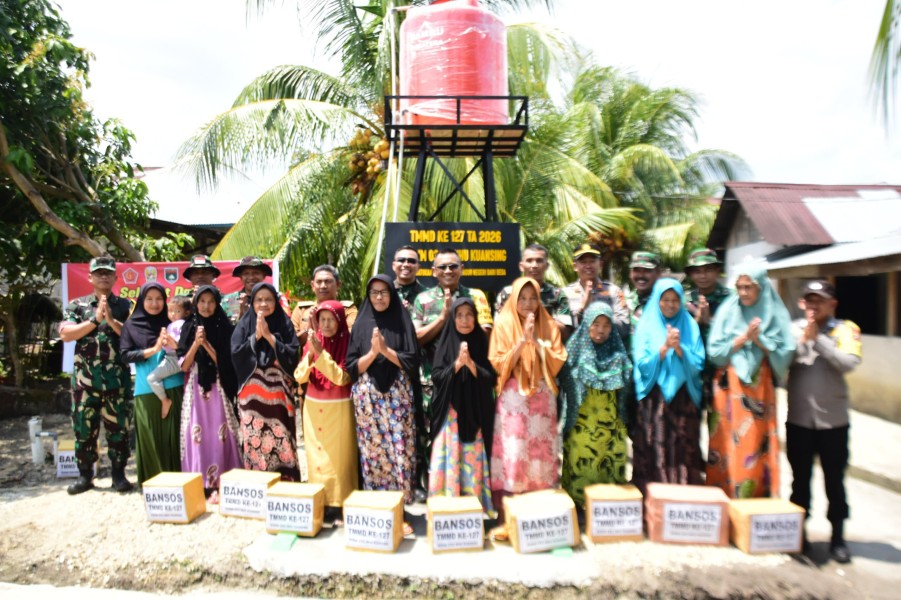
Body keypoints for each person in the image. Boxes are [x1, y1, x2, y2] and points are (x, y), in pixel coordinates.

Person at [787, 280, 861, 563]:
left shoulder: (846, 329)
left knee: (834, 481)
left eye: (820, 300)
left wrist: (817, 339)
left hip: (833, 423)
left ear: (833, 304)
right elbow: (781, 364)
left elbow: (848, 363)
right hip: (799, 420)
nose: (814, 305)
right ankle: (799, 535)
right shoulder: (793, 329)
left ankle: (838, 538)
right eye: (810, 300)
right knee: (800, 481)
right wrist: (801, 342)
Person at [706, 265, 795, 498]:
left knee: (755, 441)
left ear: (761, 287)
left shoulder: (774, 312)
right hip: (728, 387)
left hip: (759, 389)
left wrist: (760, 340)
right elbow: (715, 352)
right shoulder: (728, 310)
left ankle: (754, 499)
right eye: (739, 287)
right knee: (727, 442)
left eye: (749, 287)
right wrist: (744, 338)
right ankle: (724, 496)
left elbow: (785, 351)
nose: (743, 293)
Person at [412, 248, 493, 498]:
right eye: (443, 267)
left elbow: (486, 333)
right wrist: (444, 317)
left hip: (471, 382)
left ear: (462, 269)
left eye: (453, 266)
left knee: (471, 440)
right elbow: (417, 338)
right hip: (434, 381)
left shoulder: (476, 296)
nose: (448, 271)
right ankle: (438, 491)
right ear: (433, 271)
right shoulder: (423, 300)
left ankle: (469, 493)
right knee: (434, 439)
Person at [489, 277, 567, 519]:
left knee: (539, 454)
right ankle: (508, 511)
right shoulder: (503, 324)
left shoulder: (548, 323)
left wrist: (537, 344)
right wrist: (522, 342)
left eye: (533, 298)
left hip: (542, 397)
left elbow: (558, 359)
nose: (528, 303)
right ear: (514, 299)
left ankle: (539, 509)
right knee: (514, 450)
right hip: (513, 398)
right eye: (522, 298)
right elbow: (497, 362)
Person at [59, 256, 134, 495]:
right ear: (90, 277)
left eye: (108, 273)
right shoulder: (77, 305)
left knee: (119, 429)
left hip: (117, 382)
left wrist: (110, 320)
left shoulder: (125, 305)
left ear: (115, 277)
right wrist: (95, 320)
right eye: (99, 272)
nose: (103, 276)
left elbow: (133, 336)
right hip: (85, 382)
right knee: (84, 429)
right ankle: (85, 476)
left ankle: (118, 475)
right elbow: (66, 334)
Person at [346, 275, 420, 511]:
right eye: (374, 292)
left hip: (398, 397)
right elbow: (352, 366)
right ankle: (377, 508)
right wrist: (372, 353)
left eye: (384, 292)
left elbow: (412, 361)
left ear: (392, 294)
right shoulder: (360, 324)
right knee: (373, 452)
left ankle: (401, 509)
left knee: (401, 450)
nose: (379, 297)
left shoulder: (402, 320)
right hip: (368, 400)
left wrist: (386, 351)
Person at [630, 279, 706, 495]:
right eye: (665, 300)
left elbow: (699, 363)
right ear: (657, 300)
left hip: (684, 398)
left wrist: (680, 349)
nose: (670, 305)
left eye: (675, 300)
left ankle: (682, 500)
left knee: (683, 449)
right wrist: (664, 348)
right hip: (654, 398)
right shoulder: (646, 324)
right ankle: (652, 499)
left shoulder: (690, 325)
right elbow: (642, 364)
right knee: (654, 446)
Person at [558, 302, 632, 507]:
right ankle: (579, 508)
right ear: (587, 325)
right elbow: (565, 385)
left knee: (609, 468)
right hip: (581, 428)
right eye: (596, 324)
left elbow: (625, 393)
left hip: (610, 429)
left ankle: (608, 510)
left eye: (606, 325)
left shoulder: (618, 355)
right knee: (581, 467)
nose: (601, 330)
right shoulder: (574, 352)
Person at [428, 298, 497, 513]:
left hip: (475, 415)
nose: (465, 320)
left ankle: (472, 510)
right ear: (453, 318)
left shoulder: (481, 342)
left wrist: (471, 365)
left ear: (475, 318)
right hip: (451, 416)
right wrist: (457, 365)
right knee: (448, 460)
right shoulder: (446, 342)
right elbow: (437, 376)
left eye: (469, 315)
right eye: (459, 315)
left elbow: (491, 378)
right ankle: (446, 509)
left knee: (471, 463)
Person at [177, 285, 242, 500]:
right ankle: (199, 483)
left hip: (218, 388)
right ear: (196, 303)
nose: (206, 306)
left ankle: (224, 481)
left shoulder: (225, 327)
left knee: (220, 435)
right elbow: (184, 365)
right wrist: (196, 344)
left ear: (217, 303)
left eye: (211, 301)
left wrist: (206, 345)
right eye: (202, 301)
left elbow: (227, 363)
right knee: (196, 435)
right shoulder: (188, 327)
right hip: (195, 389)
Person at [231, 282, 301, 481]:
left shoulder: (285, 324)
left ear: (276, 302)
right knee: (254, 439)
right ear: (252, 302)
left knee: (283, 439)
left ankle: (286, 482)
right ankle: (257, 483)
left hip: (279, 398)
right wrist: (255, 337)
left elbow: (293, 353)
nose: (264, 304)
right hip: (251, 399)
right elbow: (236, 353)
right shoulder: (244, 325)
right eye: (259, 299)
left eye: (268, 299)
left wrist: (270, 337)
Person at [294, 300, 358, 517]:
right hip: (313, 408)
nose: (327, 324)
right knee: (316, 457)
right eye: (323, 320)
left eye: (331, 319)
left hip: (339, 410)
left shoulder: (348, 343)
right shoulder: (314, 341)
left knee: (339, 459)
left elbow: (342, 378)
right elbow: (299, 376)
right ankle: (319, 499)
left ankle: (341, 502)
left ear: (340, 321)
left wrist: (321, 354)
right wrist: (311, 355)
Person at [120, 282, 184, 485]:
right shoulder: (131, 326)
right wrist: (154, 349)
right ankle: (154, 487)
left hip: (174, 387)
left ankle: (181, 486)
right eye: (149, 299)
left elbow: (186, 349)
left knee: (175, 440)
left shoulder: (172, 322)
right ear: (141, 301)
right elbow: (125, 355)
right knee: (152, 440)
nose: (154, 304)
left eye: (159, 299)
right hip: (146, 390)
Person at [684, 248, 733, 409]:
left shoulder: (731, 299)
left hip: (722, 369)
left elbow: (736, 333)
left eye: (708, 270)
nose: (703, 276)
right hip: (693, 371)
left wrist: (710, 322)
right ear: (690, 274)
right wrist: (697, 321)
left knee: (720, 419)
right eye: (697, 271)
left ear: (718, 270)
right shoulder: (684, 300)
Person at [495, 243, 573, 340]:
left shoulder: (557, 294)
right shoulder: (507, 293)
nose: (534, 265)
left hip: (547, 347)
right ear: (521, 266)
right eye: (529, 261)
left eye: (539, 261)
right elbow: (499, 330)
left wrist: (539, 316)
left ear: (547, 266)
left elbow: (566, 333)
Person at [562, 244, 629, 339]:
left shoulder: (614, 291)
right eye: (583, 262)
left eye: (592, 261)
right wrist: (582, 310)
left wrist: (601, 320)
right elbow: (562, 328)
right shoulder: (565, 294)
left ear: (600, 264)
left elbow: (624, 326)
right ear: (575, 266)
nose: (588, 266)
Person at [146, 295, 191, 420]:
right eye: (170, 311)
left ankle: (164, 400)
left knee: (152, 378)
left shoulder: (179, 324)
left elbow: (178, 343)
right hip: (171, 357)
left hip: (175, 358)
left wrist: (167, 341)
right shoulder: (173, 324)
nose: (173, 314)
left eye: (177, 311)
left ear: (186, 313)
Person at [290, 264, 358, 347]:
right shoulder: (302, 310)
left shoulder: (348, 309)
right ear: (312, 285)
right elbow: (291, 342)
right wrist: (308, 330)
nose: (323, 286)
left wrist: (320, 326)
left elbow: (352, 336)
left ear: (338, 284)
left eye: (328, 281)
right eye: (319, 282)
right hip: (309, 355)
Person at [222, 256, 289, 324]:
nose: (251, 277)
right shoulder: (227, 301)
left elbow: (286, 324)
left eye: (256, 273)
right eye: (246, 273)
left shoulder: (277, 298)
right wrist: (242, 314)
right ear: (241, 277)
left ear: (264, 276)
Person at [626, 250, 662, 331]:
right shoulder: (624, 301)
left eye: (647, 270)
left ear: (658, 273)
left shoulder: (665, 302)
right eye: (636, 270)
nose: (641, 275)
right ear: (630, 273)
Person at [392, 245, 427, 315]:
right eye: (401, 260)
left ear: (418, 267)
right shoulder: (385, 292)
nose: (406, 264)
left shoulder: (428, 295)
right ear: (394, 266)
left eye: (411, 261)